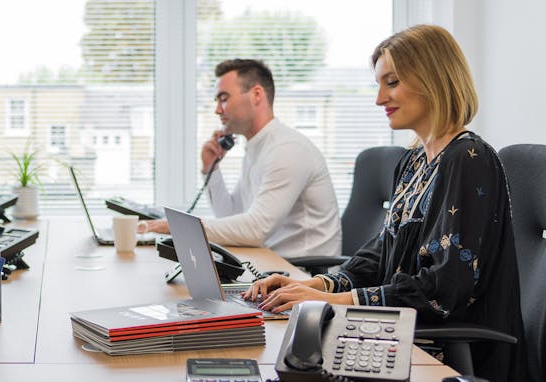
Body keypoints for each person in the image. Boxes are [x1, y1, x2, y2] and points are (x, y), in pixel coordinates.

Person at [243, 25, 526, 380]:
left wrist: (334, 303)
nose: (379, 99)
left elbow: (444, 288)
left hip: (450, 354)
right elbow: (383, 252)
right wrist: (320, 286)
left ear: (433, 79)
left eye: (391, 83)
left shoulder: (469, 158)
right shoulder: (413, 161)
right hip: (401, 337)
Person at [142, 59, 341, 259]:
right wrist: (211, 170)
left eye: (224, 98)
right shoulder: (257, 148)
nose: (218, 110)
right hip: (269, 265)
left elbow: (256, 230)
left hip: (304, 276)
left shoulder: (288, 149)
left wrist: (177, 228)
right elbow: (231, 218)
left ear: (256, 95)